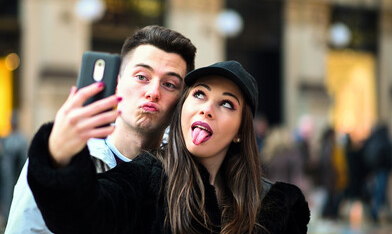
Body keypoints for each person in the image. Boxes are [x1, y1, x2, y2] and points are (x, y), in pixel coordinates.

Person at [27, 60, 310, 233]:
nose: (207, 110)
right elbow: (84, 216)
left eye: (226, 103)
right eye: (199, 94)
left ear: (240, 131)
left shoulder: (273, 207)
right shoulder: (145, 181)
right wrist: (60, 157)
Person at [5, 25, 196, 234]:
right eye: (142, 77)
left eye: (169, 84)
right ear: (117, 83)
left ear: (182, 100)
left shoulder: (186, 171)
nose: (153, 92)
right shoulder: (61, 159)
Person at [0, 112, 28, 221]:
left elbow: (23, 158)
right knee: (6, 196)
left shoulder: (21, 140)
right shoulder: (6, 138)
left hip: (16, 174)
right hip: (6, 175)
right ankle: (6, 216)